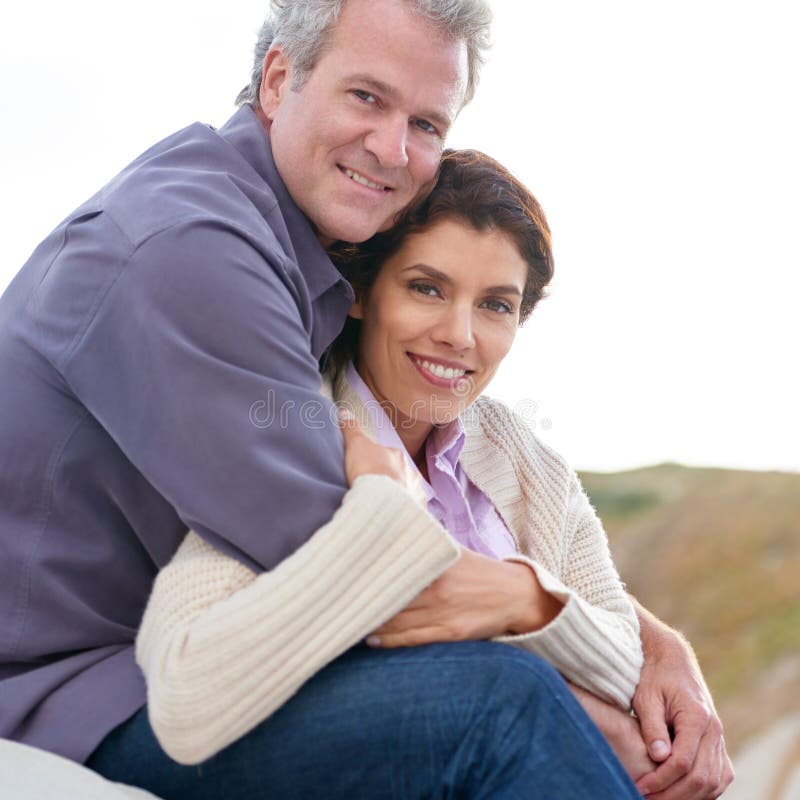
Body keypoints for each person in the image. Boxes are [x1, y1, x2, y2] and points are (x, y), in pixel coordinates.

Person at [0, 0, 732, 797]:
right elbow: (367, 577)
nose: (392, 148)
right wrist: (590, 693)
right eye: (367, 98)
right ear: (279, 78)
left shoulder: (284, 249)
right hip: (62, 693)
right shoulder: (193, 251)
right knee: (502, 709)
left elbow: (448, 563)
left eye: (426, 122)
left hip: (127, 669)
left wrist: (660, 645)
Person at [127, 148, 657, 785]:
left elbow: (626, 655)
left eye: (495, 305)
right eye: (426, 288)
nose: (460, 334)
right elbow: (185, 685)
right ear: (360, 293)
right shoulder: (296, 432)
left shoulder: (526, 460)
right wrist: (380, 508)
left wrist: (524, 599)